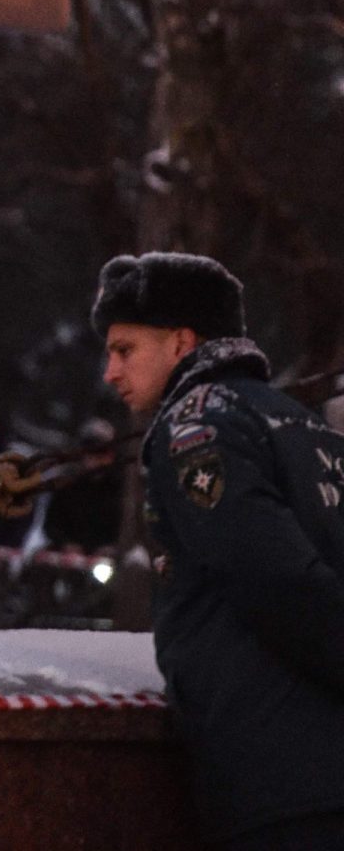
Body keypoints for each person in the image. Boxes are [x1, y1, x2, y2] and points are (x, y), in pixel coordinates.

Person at [93, 251, 344, 849]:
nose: (110, 371)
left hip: (280, 780)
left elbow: (274, 580)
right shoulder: (301, 424)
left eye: (125, 349)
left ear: (181, 342)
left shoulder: (195, 427)